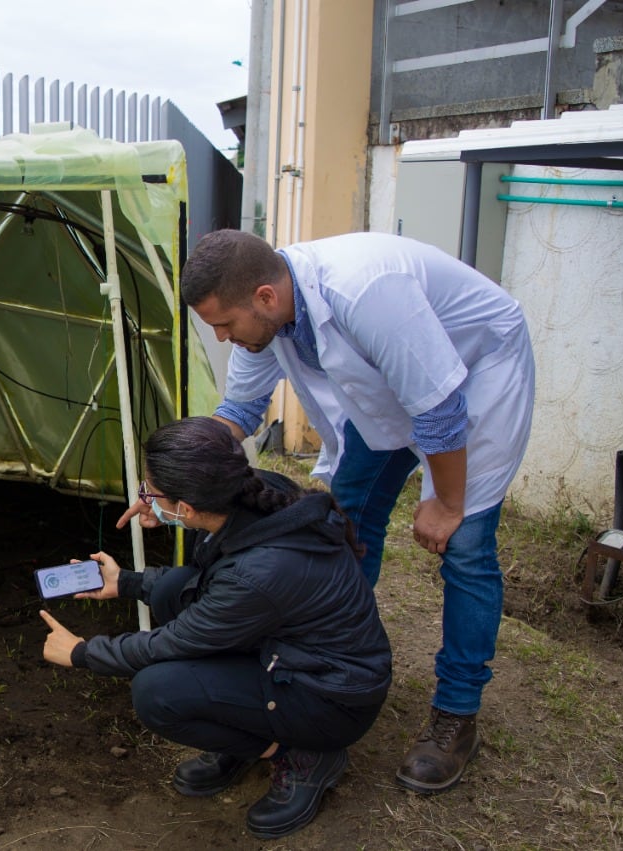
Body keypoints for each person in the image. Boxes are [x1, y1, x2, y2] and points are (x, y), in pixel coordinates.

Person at [132, 229, 535, 795]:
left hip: (473, 371)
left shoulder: (367, 291)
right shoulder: (266, 321)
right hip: (393, 390)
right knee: (342, 519)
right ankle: (329, 669)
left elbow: (441, 408)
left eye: (224, 324)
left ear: (265, 298)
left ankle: (456, 714)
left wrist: (444, 503)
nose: (221, 337)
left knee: (465, 548)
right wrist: (165, 491)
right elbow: (239, 413)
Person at [40, 416, 391, 840]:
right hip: (293, 651)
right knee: (173, 588)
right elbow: (205, 586)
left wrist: (81, 652)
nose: (145, 498)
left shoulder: (257, 574)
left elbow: (169, 644)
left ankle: (299, 756)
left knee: (157, 691)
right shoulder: (252, 491)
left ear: (185, 507)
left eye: (151, 491)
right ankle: (246, 734)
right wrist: (126, 582)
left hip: (331, 699)